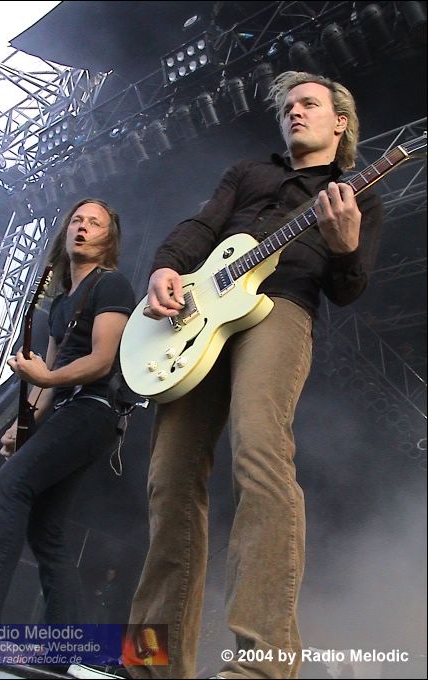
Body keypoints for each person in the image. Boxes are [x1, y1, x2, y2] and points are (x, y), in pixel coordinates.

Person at [124, 71, 383, 679]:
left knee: (260, 456)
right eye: (288, 105)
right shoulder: (247, 173)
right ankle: (151, 667)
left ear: (339, 122)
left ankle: (262, 666)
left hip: (280, 309)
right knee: (169, 480)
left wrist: (345, 246)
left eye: (309, 103)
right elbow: (200, 228)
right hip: (196, 319)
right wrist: (165, 267)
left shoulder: (355, 194)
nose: (295, 112)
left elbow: (348, 288)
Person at [0, 198, 135, 627]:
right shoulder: (60, 304)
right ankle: (66, 642)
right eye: (77, 220)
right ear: (66, 231)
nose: (82, 227)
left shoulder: (111, 286)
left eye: (94, 223)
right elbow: (48, 376)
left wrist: (46, 377)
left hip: (94, 409)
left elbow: (100, 361)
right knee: (45, 529)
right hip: (69, 410)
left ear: (108, 239)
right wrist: (23, 424)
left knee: (9, 485)